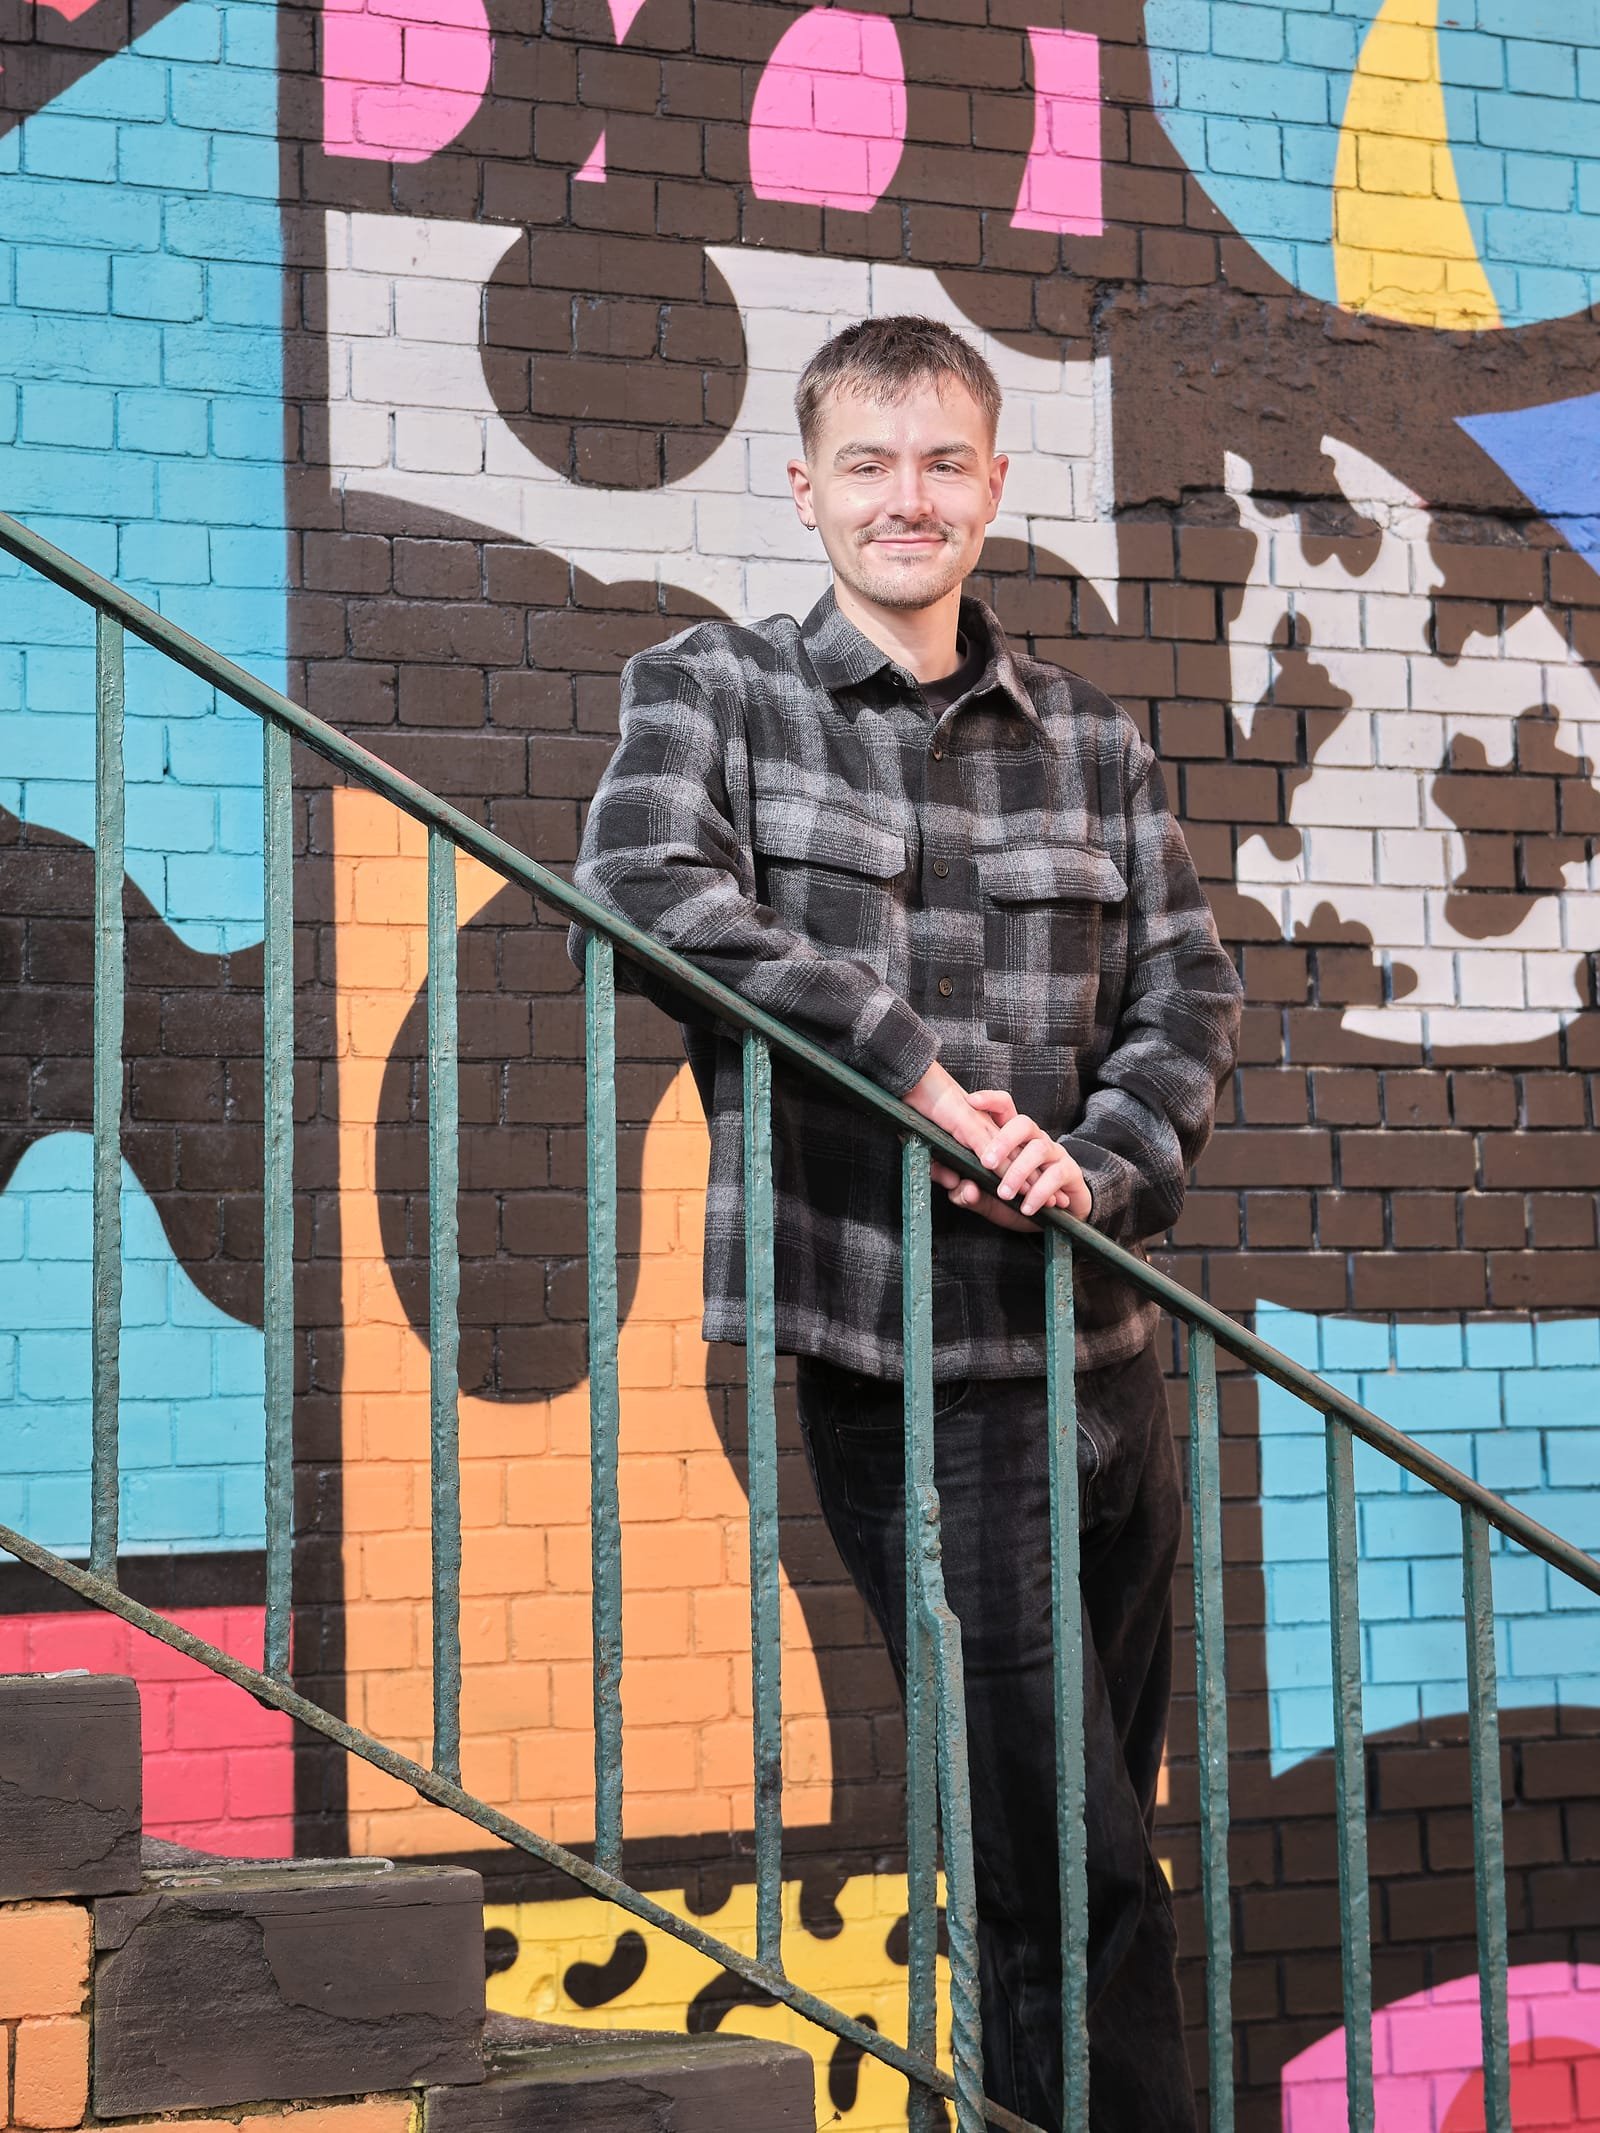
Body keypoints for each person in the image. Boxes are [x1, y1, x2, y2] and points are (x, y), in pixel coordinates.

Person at [570, 315, 1242, 2131]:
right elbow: (643, 887)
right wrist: (918, 1079)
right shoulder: (711, 692)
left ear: (995, 487)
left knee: (1089, 1848)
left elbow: (1188, 999)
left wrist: (1088, 1166)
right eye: (868, 463)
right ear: (805, 489)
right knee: (1076, 1869)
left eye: (944, 461)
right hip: (916, 1376)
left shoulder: (1096, 743)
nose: (908, 497)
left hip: (1108, 1356)